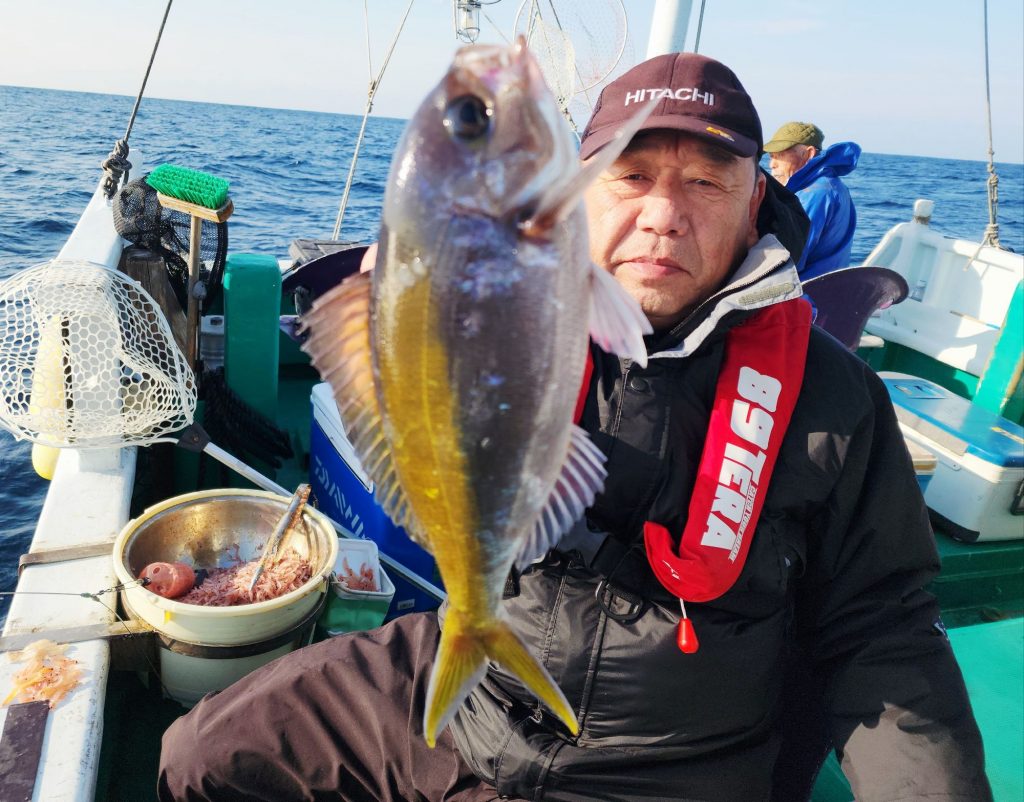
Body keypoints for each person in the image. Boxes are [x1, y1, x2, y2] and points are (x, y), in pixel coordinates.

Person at [158, 53, 991, 802]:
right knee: (200, 755)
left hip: (670, 767)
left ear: (754, 208)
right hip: (480, 700)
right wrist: (395, 323)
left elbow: (883, 628)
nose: (664, 214)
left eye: (706, 183)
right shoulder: (516, 304)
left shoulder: (836, 397)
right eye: (632, 177)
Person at [764, 121, 860, 280]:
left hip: (807, 290)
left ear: (808, 154)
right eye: (771, 156)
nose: (772, 164)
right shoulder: (828, 186)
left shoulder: (816, 193)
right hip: (825, 287)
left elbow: (790, 259)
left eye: (780, 155)